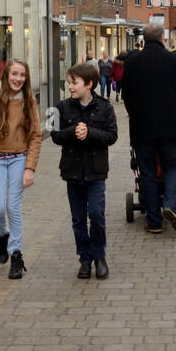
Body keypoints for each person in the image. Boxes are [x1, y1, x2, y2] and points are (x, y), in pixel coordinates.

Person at [0, 58, 43, 279]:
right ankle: (2, 234)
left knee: (12, 206)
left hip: (18, 159)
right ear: (6, 75)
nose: (18, 79)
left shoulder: (29, 101)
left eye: (22, 75)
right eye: (14, 74)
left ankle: (15, 255)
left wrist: (30, 168)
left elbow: (36, 137)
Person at [52, 60, 118, 280]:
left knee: (96, 215)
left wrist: (90, 133)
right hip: (72, 172)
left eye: (74, 82)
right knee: (78, 219)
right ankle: (85, 259)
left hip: (96, 171)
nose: (70, 86)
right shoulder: (60, 107)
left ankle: (99, 256)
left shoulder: (105, 107)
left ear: (89, 84)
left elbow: (112, 136)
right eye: (69, 82)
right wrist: (73, 131)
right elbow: (54, 135)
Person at [120, 22, 176, 233]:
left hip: (142, 128)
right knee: (172, 168)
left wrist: (135, 115)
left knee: (147, 172)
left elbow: (127, 96)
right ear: (162, 39)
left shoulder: (132, 62)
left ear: (143, 39)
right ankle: (171, 206)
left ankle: (153, 221)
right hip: (170, 126)